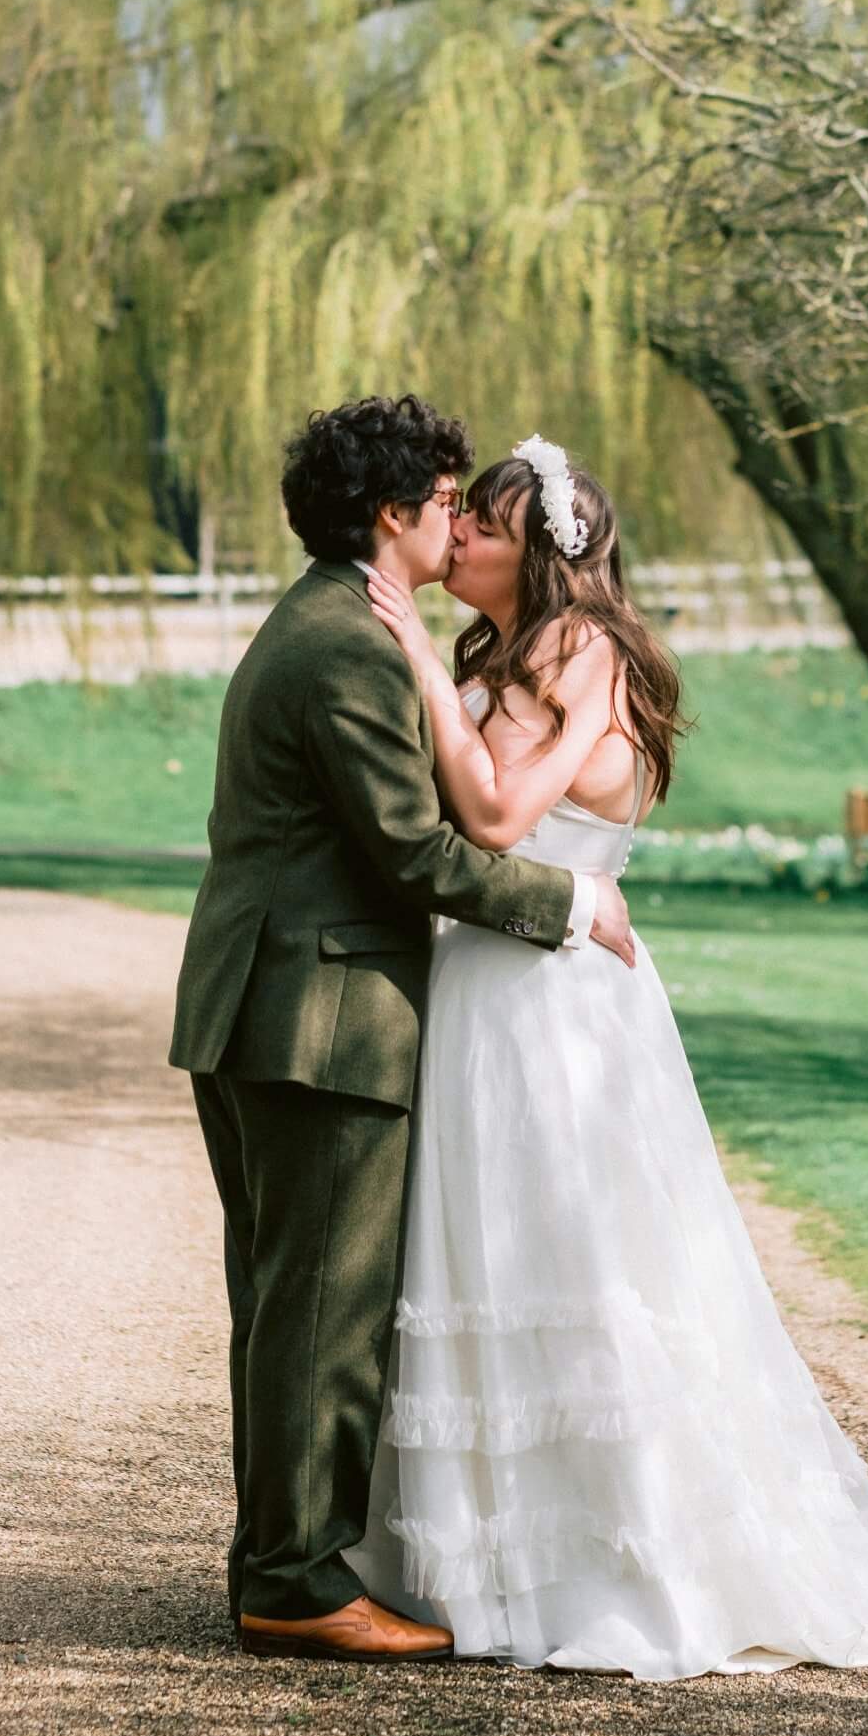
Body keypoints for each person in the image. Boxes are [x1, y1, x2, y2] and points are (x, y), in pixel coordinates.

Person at [345, 436, 868, 1679]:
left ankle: (616, 1561)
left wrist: (411, 647)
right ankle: (480, 1563)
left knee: (577, 1254)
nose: (453, 537)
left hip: (555, 1008)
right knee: (481, 1248)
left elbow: (503, 820)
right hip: (485, 985)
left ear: (543, 558)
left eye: (484, 530)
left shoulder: (583, 654)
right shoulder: (510, 652)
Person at [169, 397, 634, 1663]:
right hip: (320, 1017)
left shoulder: (327, 621)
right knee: (321, 1309)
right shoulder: (348, 646)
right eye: (442, 502)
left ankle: (281, 1560)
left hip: (273, 1005)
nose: (458, 519)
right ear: (392, 515)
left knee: (285, 1306)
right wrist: (573, 899)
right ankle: (294, 1584)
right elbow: (416, 851)